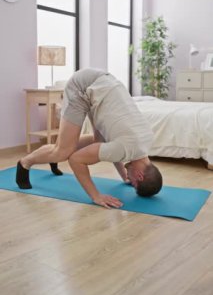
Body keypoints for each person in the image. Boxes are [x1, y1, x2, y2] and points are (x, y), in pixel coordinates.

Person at [16, 68, 163, 209]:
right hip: (83, 86)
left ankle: (54, 153)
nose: (131, 182)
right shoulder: (125, 148)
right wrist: (96, 196)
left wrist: (124, 175)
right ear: (139, 175)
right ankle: (24, 163)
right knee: (63, 152)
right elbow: (76, 160)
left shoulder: (146, 140)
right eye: (134, 183)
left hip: (104, 84)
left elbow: (115, 148)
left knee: (95, 143)